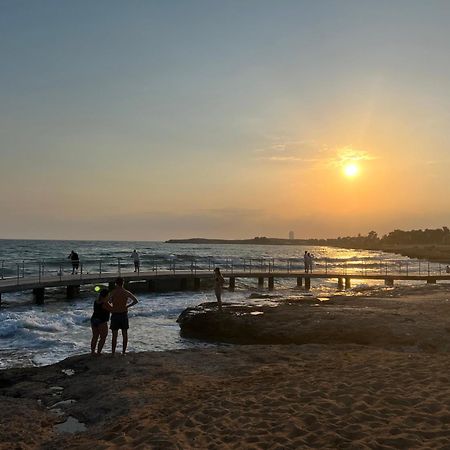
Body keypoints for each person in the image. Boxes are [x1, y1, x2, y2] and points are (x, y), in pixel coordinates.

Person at [108, 277, 138, 355]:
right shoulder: (126, 292)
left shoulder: (113, 292)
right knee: (125, 334)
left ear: (116, 283)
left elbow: (108, 301)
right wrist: (127, 306)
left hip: (115, 314)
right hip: (123, 313)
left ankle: (113, 353)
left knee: (114, 335)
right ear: (123, 283)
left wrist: (111, 307)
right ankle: (124, 352)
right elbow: (135, 301)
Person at [90, 288, 111, 356]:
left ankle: (93, 352)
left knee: (95, 337)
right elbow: (112, 309)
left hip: (94, 319)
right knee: (103, 337)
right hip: (101, 320)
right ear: (106, 295)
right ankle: (99, 352)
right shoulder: (105, 303)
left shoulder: (96, 301)